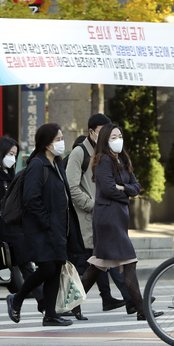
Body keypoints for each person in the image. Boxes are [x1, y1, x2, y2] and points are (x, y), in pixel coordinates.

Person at [73, 124, 163, 321]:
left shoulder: (122, 159)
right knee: (130, 262)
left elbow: (136, 186)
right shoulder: (104, 160)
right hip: (108, 220)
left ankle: (70, 304)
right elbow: (107, 189)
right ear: (105, 140)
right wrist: (125, 193)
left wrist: (124, 188)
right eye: (114, 136)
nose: (118, 139)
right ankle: (142, 310)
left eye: (120, 135)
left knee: (97, 267)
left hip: (117, 219)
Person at [6, 123, 80, 327]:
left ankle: (50, 314)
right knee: (47, 268)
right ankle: (17, 298)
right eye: (57, 139)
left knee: (55, 268)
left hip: (58, 229)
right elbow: (31, 199)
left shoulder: (56, 164)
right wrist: (47, 222)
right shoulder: (37, 165)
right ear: (46, 143)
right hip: (42, 229)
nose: (61, 143)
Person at [65, 114, 130, 315]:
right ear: (92, 131)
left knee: (100, 261)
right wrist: (92, 205)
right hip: (88, 216)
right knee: (104, 260)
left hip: (105, 215)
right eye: (102, 131)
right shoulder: (79, 152)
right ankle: (133, 299)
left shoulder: (106, 153)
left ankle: (121, 299)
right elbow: (72, 187)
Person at [0, 136, 44, 315]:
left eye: (15, 154)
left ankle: (42, 301)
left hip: (13, 228)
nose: (12, 158)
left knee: (25, 265)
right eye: (9, 153)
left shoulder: (11, 175)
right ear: (1, 153)